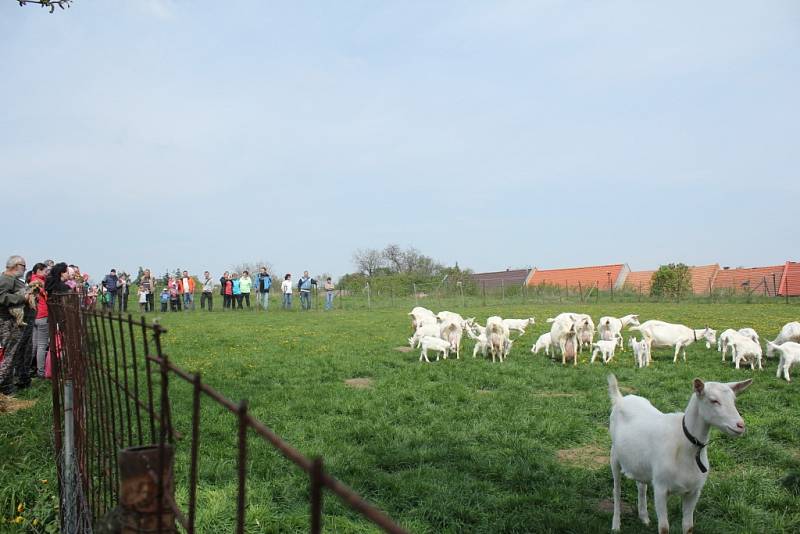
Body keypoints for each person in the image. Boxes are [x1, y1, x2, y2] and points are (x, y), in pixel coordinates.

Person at [0, 255, 31, 395]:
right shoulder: (6, 279)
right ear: (17, 265)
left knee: (10, 355)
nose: (25, 269)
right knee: (8, 355)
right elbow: (2, 297)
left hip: (11, 322)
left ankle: (6, 388)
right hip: (8, 323)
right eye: (24, 266)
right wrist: (22, 298)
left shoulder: (11, 279)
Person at [29, 263, 49, 378]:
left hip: (34, 315)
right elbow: (46, 295)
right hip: (42, 314)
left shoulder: (31, 280)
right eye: (45, 271)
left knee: (34, 344)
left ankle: (27, 367)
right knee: (42, 345)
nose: (46, 273)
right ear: (39, 270)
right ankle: (40, 372)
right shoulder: (39, 282)